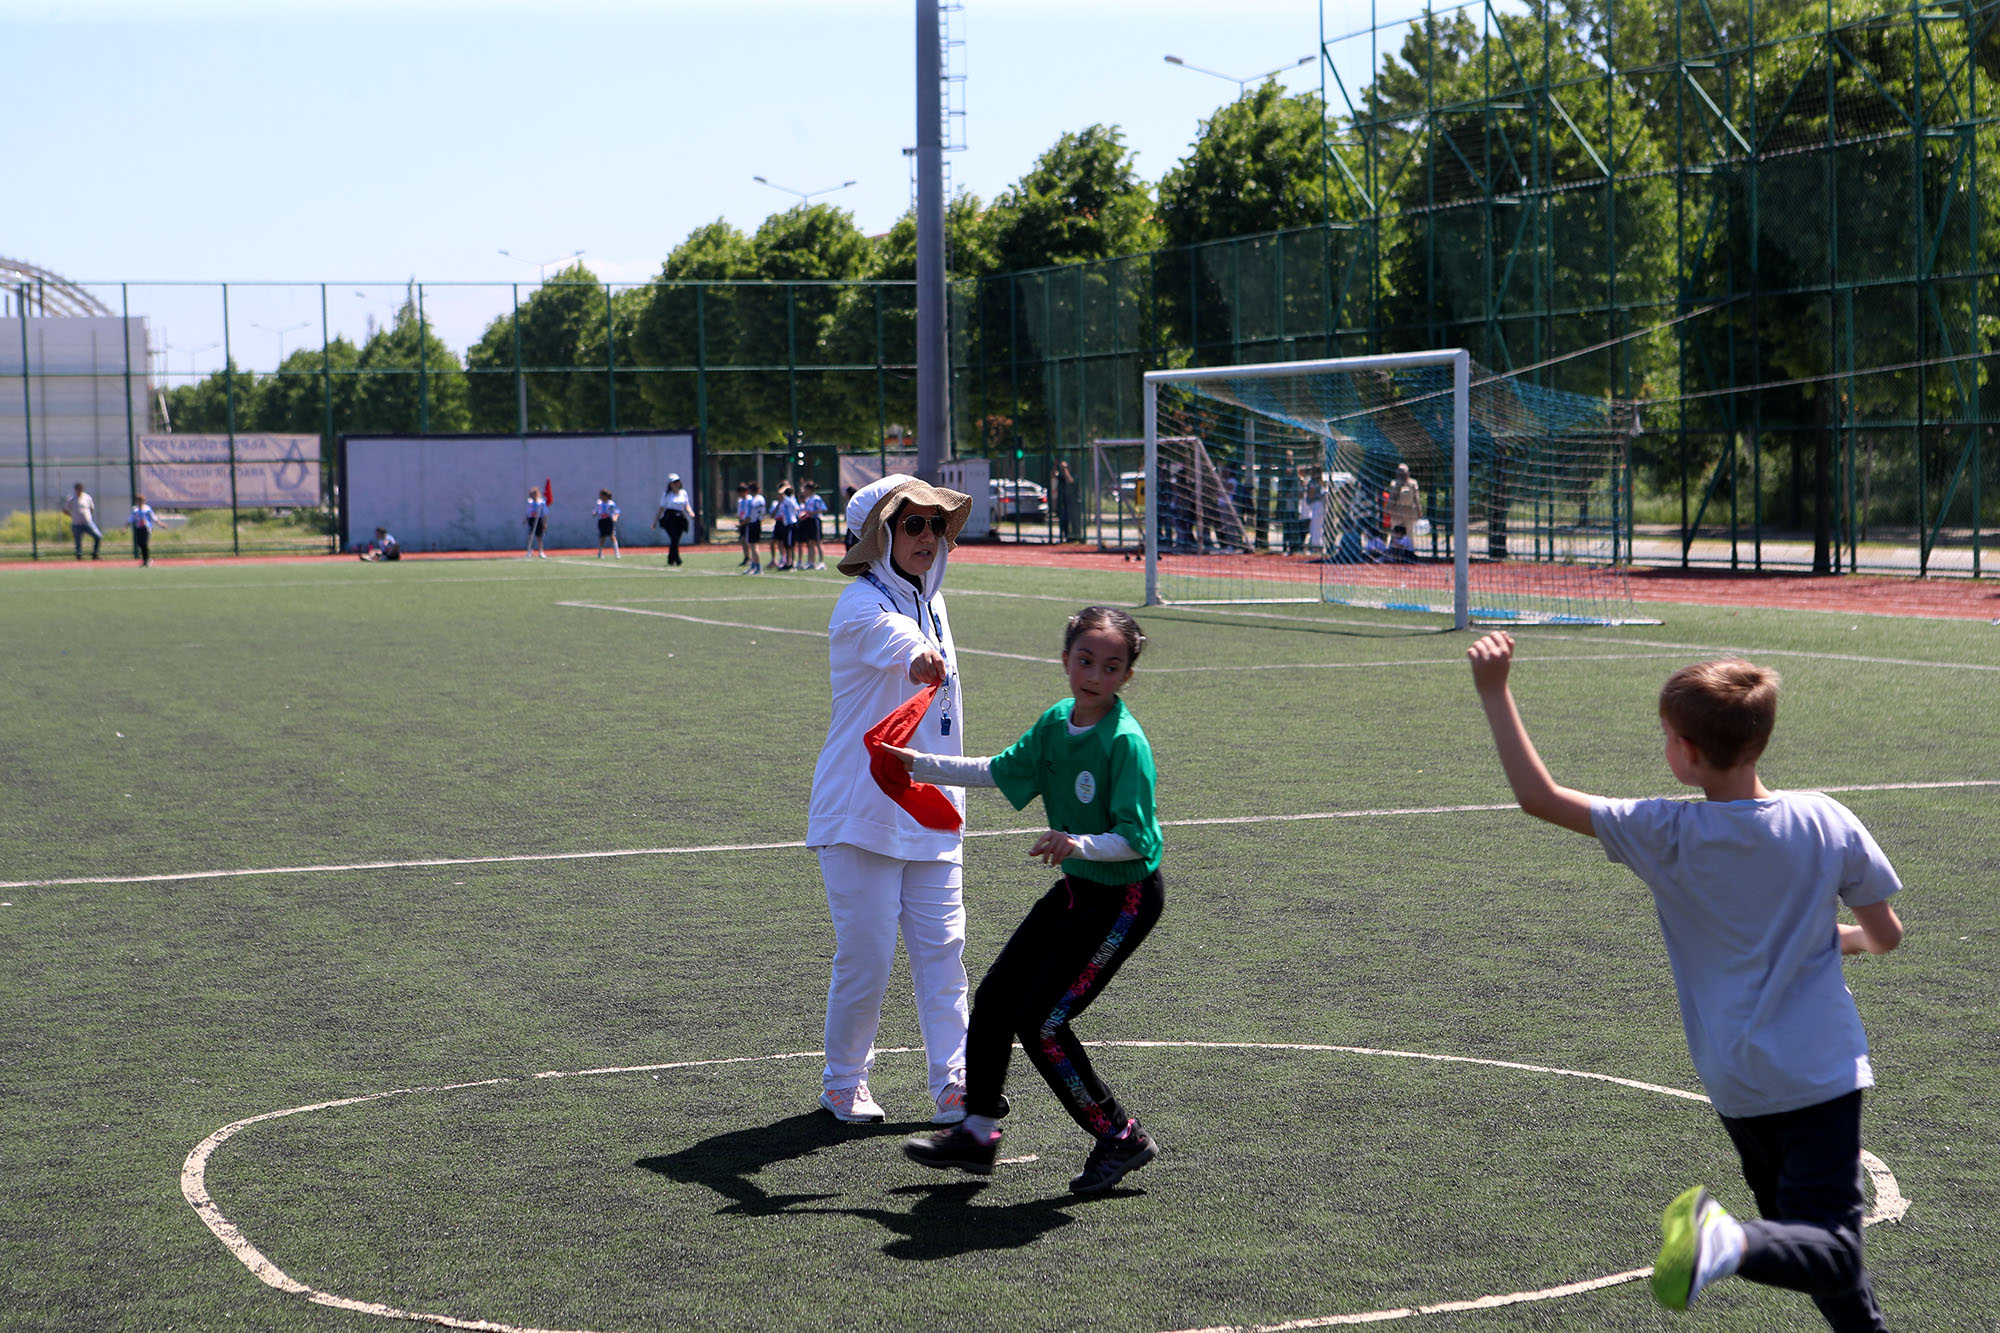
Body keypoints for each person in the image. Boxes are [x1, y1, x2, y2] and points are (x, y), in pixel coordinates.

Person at [1465, 633, 1904, 1329]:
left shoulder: (1665, 831)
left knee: (1808, 1246)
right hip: (1821, 1072)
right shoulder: (1827, 818)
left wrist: (1495, 690)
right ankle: (1721, 1238)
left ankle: (1750, 1254)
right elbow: (1887, 934)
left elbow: (1538, 796)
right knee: (1831, 1250)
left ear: (1689, 753)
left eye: (1666, 735)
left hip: (1737, 1081)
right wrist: (1843, 939)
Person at [896, 605, 1165, 1195]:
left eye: (1111, 665)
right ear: (1065, 658)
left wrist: (1077, 843)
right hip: (1079, 889)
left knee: (1041, 1022)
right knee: (995, 998)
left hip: (1125, 898)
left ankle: (1119, 1137)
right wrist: (918, 766)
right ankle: (978, 1132)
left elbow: (1137, 841)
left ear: (1126, 675)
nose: (1095, 673)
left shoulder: (1125, 744)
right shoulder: (1054, 724)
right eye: (1085, 660)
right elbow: (999, 770)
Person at [807, 474, 977, 1126]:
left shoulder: (935, 604)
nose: (929, 537)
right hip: (863, 813)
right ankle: (843, 1081)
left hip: (934, 810)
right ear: (881, 534)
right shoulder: (857, 606)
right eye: (913, 524)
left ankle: (955, 1087)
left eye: (937, 524)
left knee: (944, 953)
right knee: (868, 957)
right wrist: (922, 658)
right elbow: (893, 641)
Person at [655, 474, 693, 567]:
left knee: (676, 539)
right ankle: (677, 559)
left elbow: (686, 505)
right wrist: (655, 521)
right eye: (674, 482)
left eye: (678, 482)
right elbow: (661, 508)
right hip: (670, 518)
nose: (676, 484)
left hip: (680, 518)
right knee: (674, 538)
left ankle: (671, 558)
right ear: (670, 484)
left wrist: (691, 513)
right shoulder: (666, 494)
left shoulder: (683, 493)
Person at [62, 482, 101, 560]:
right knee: (78, 542)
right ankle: (79, 557)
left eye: (81, 489)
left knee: (98, 536)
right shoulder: (71, 499)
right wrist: (72, 516)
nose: (79, 491)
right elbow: (65, 510)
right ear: (75, 490)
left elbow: (91, 509)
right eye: (78, 489)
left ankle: (95, 554)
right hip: (76, 524)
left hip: (87, 523)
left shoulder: (87, 497)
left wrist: (87, 516)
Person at [1385, 462, 1422, 543]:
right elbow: (1392, 498)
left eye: (1404, 472)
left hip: (1409, 512)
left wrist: (1419, 510)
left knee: (1409, 534)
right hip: (1397, 512)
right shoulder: (1394, 484)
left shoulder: (1413, 483)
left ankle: (1409, 552)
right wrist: (1388, 509)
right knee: (1395, 533)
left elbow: (1416, 498)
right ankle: (1394, 551)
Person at [770, 483, 801, 571]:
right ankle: (788, 562)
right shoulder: (785, 501)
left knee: (790, 545)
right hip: (786, 525)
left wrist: (785, 487)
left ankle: (791, 563)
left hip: (791, 525)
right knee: (787, 545)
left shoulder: (789, 500)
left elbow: (796, 508)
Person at [798, 479, 828, 570]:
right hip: (808, 522)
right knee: (810, 542)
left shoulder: (816, 498)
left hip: (815, 521)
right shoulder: (808, 499)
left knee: (818, 542)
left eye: (806, 489)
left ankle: (822, 562)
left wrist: (812, 512)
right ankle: (811, 562)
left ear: (810, 490)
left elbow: (823, 509)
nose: (804, 491)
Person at [126, 495, 159, 566]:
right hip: (139, 528)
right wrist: (125, 528)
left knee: (144, 543)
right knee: (140, 544)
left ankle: (147, 560)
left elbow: (153, 517)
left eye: (141, 501)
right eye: (138, 501)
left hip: (146, 528)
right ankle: (145, 560)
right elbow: (131, 519)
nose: (140, 502)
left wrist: (161, 524)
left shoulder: (147, 509)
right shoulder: (135, 510)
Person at [593, 489, 621, 558]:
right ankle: (600, 553)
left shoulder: (611, 503)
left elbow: (617, 511)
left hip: (609, 521)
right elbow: (596, 510)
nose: (600, 496)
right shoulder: (599, 503)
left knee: (612, 536)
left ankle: (617, 553)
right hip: (602, 521)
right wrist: (594, 513)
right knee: (602, 537)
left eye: (602, 495)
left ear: (605, 496)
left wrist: (615, 517)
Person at [524, 487, 549, 559]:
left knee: (539, 537)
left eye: (534, 493)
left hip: (539, 520)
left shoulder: (541, 502)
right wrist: (525, 519)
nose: (532, 495)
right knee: (530, 536)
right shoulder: (530, 502)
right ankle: (530, 551)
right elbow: (528, 512)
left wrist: (544, 522)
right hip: (531, 520)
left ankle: (541, 551)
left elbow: (545, 513)